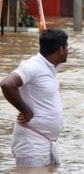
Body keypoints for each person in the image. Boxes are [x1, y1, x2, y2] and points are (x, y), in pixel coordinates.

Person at [1, 29, 69, 166]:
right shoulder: (33, 66)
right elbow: (7, 84)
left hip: (46, 142)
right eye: (67, 47)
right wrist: (26, 111)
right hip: (31, 143)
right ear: (60, 49)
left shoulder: (49, 68)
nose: (68, 51)